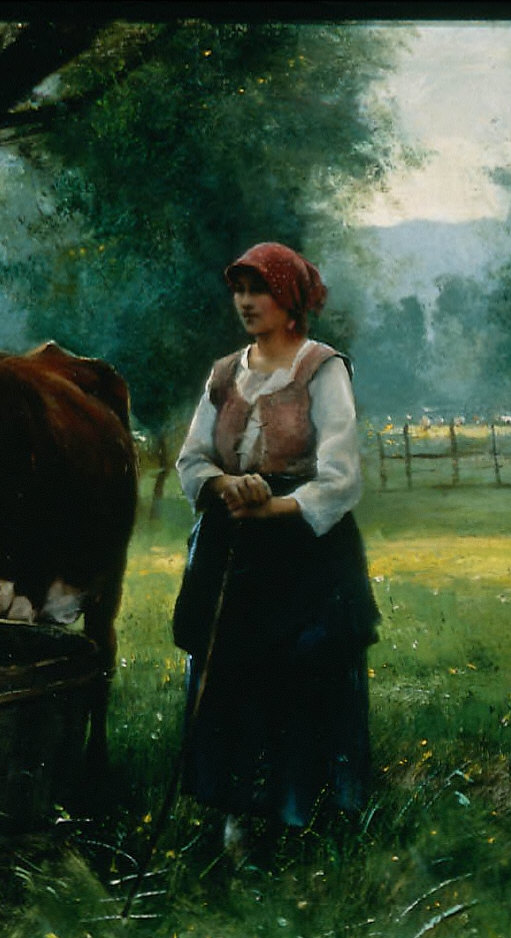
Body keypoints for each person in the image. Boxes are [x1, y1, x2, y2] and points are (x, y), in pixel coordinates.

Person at [171, 241, 380, 860]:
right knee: (226, 673)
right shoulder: (223, 374)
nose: (245, 302)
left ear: (289, 300)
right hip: (231, 545)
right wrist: (223, 483)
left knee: (301, 673)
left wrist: (277, 506)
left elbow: (341, 477)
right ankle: (231, 818)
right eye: (238, 291)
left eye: (257, 291)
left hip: (305, 551)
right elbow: (191, 459)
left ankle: (300, 821)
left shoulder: (322, 369)